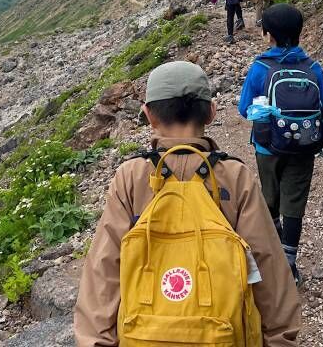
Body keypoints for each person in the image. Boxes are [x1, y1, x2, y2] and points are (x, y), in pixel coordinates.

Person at [75, 61, 301, 347]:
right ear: (211, 112)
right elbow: (268, 266)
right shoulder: (234, 176)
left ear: (148, 115)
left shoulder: (131, 177)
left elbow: (104, 271)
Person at [238, 4, 323, 286]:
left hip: (267, 146)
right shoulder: (314, 68)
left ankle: (273, 250)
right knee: (295, 203)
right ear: (300, 32)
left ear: (268, 35)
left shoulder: (260, 68)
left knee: (271, 196)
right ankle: (290, 263)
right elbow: (322, 106)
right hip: (304, 146)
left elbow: (244, 109)